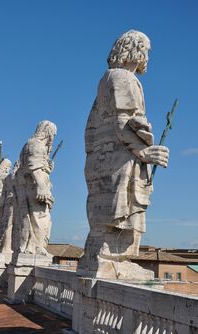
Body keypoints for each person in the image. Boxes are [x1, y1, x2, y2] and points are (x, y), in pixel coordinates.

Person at [79, 30, 169, 277]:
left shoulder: (105, 79)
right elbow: (123, 122)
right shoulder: (123, 78)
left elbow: (90, 130)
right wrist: (144, 151)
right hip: (121, 161)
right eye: (146, 50)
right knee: (125, 210)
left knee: (111, 214)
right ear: (137, 48)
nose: (147, 56)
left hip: (104, 160)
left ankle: (99, 257)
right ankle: (113, 260)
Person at [12, 120, 57, 256]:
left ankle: (32, 246)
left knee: (32, 218)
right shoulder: (36, 145)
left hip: (29, 187)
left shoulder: (28, 144)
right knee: (41, 218)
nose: (53, 138)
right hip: (35, 188)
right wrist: (42, 187)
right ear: (48, 132)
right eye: (53, 134)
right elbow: (34, 167)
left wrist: (48, 168)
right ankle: (37, 247)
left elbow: (35, 166)